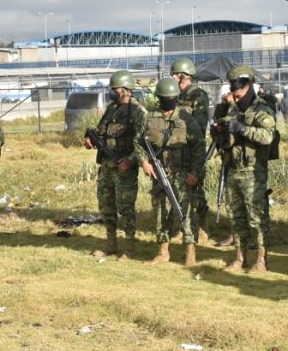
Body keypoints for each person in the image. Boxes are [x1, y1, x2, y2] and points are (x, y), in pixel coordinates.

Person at [214, 65, 276, 272]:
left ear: (248, 86)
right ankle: (240, 258)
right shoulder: (233, 108)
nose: (236, 96)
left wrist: (242, 129)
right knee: (237, 217)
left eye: (239, 92)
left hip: (253, 172)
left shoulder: (262, 110)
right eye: (233, 92)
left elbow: (267, 137)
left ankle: (261, 260)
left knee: (257, 218)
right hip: (232, 169)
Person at [83, 70, 148, 260]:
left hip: (124, 168)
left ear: (127, 90)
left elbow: (142, 144)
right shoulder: (112, 108)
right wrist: (90, 140)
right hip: (106, 166)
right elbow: (100, 132)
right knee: (106, 205)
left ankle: (128, 248)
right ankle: (111, 244)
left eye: (116, 89)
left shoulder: (138, 112)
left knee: (126, 208)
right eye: (112, 89)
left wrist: (130, 160)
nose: (113, 92)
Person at [143, 77, 205, 266]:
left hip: (183, 174)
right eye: (164, 97)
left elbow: (199, 147)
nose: (168, 100)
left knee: (186, 213)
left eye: (171, 97)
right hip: (159, 174)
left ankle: (190, 253)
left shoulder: (186, 118)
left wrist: (195, 172)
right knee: (161, 212)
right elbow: (138, 143)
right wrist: (144, 162)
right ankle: (163, 252)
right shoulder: (149, 118)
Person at [170, 57, 213, 241]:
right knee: (178, 190)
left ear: (184, 76)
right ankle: (181, 227)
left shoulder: (198, 96)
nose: (172, 77)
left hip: (193, 149)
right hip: (176, 150)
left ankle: (203, 226)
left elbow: (200, 128)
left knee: (196, 190)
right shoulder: (175, 95)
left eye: (175, 74)